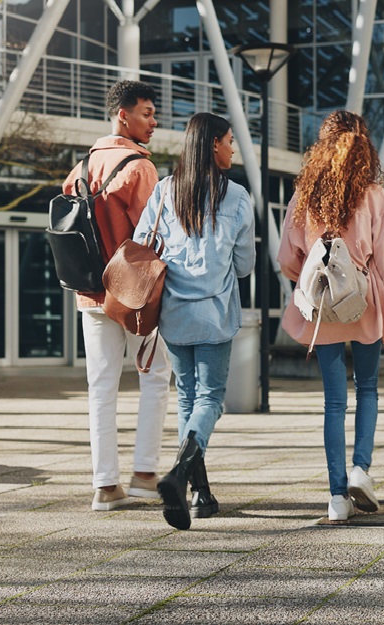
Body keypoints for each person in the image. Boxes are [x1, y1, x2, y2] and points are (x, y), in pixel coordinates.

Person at [278, 110, 384, 522]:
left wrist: (311, 273)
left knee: (333, 402)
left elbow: (288, 259)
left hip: (323, 306)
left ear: (321, 148)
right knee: (368, 388)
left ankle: (337, 496)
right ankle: (361, 469)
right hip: (366, 303)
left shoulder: (304, 196)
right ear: (365, 149)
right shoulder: (375, 196)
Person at [134, 112, 255, 530]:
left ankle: (199, 494)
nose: (233, 148)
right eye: (229, 141)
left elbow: (139, 244)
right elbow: (244, 266)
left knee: (187, 397)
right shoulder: (236, 196)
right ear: (213, 145)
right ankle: (181, 474)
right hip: (215, 313)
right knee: (210, 400)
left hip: (173, 313)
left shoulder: (166, 190)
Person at [61, 80, 171, 512]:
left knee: (100, 386)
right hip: (134, 294)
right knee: (156, 375)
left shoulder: (80, 168)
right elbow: (155, 234)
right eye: (146, 112)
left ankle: (105, 486)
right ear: (122, 115)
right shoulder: (140, 168)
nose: (154, 121)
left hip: (90, 292)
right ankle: (144, 473)